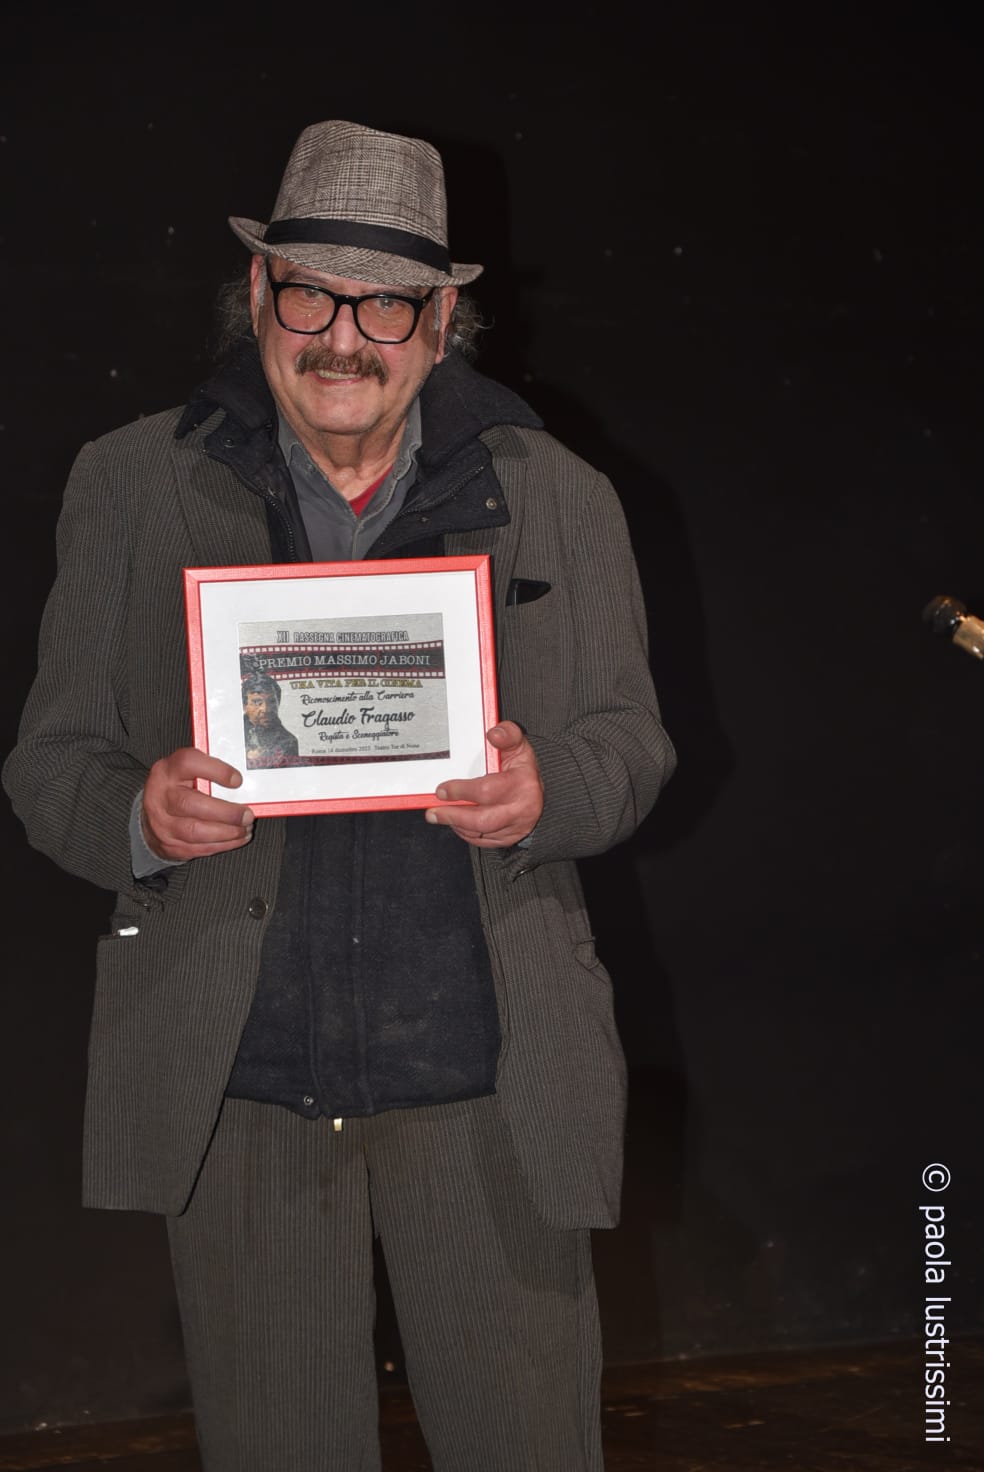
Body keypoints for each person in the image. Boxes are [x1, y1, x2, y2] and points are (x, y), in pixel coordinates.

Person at [3, 120, 676, 1471]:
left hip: (489, 1081)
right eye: (313, 293)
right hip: (242, 1083)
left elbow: (632, 744)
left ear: (443, 324)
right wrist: (140, 816)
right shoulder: (131, 484)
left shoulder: (561, 496)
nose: (344, 339)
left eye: (387, 305)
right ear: (259, 293)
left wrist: (549, 790)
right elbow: (50, 763)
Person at [241, 672, 299, 768]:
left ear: (278, 703)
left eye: (271, 702)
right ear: (244, 706)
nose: (265, 709)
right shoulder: (232, 734)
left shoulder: (289, 742)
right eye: (257, 702)